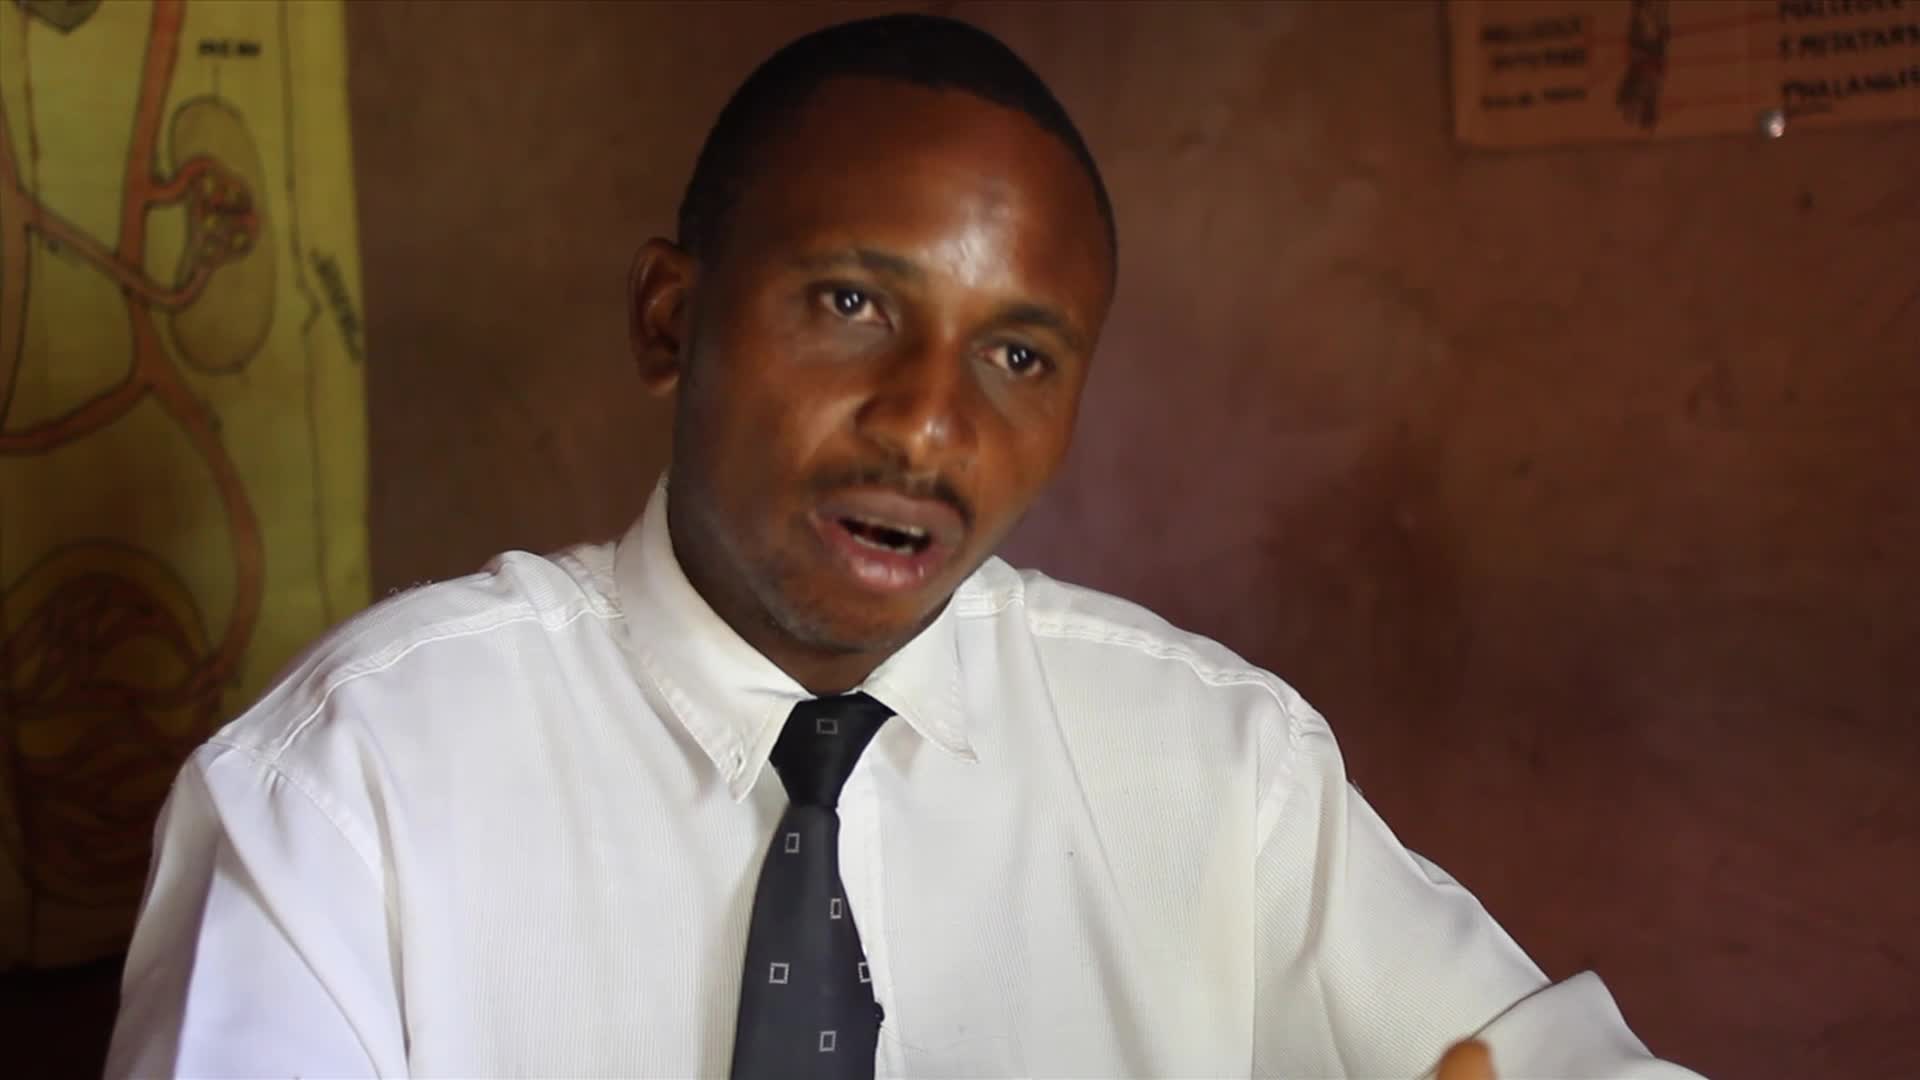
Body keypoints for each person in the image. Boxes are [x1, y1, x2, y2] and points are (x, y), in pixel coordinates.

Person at [106, 15, 1701, 1080]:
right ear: (670, 317)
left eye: (1019, 356)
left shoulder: (1216, 770)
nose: (931, 425)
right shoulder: (359, 782)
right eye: (853, 302)